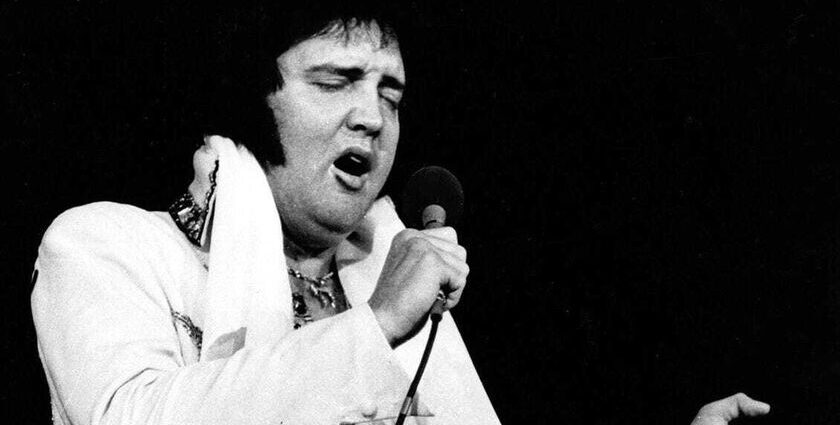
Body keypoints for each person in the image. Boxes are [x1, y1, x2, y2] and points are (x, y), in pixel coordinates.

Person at [30, 3, 769, 424]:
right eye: (337, 82)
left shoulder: (387, 277)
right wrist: (376, 324)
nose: (374, 117)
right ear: (254, 102)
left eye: (391, 94)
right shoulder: (105, 245)